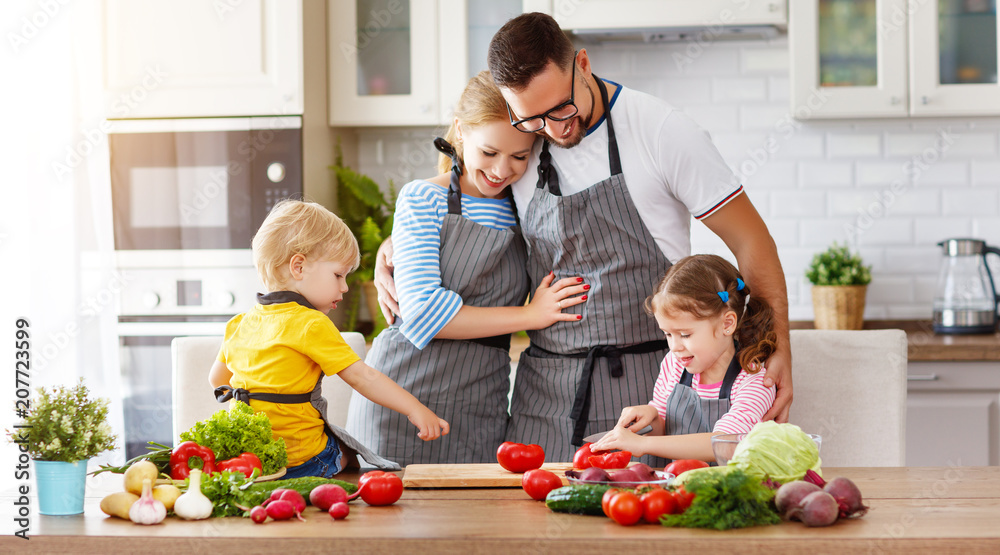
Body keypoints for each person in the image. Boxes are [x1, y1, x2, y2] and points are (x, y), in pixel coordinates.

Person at [375, 13, 791, 462]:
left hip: (645, 390)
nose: (552, 131)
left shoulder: (661, 131)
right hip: (542, 396)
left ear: (584, 65)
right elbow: (470, 202)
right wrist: (396, 245)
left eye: (561, 109)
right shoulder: (522, 143)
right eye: (533, 121)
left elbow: (752, 242)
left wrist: (776, 343)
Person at [345, 71, 587, 466]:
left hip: (481, 401)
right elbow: (424, 313)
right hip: (403, 397)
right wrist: (530, 315)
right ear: (460, 131)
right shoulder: (423, 197)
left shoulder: (525, 206)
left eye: (519, 156)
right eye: (489, 152)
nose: (502, 169)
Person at [208, 199, 449, 478]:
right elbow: (363, 378)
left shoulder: (239, 323)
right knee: (347, 451)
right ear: (298, 267)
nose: (345, 287)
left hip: (252, 462)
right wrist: (415, 409)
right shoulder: (311, 323)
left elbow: (217, 381)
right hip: (302, 462)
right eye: (338, 275)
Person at [590, 255, 777, 461]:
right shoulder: (674, 364)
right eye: (668, 334)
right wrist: (651, 416)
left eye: (685, 335)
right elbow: (664, 430)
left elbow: (727, 444)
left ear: (727, 324)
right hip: (677, 485)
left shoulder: (754, 379)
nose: (675, 347)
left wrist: (642, 444)